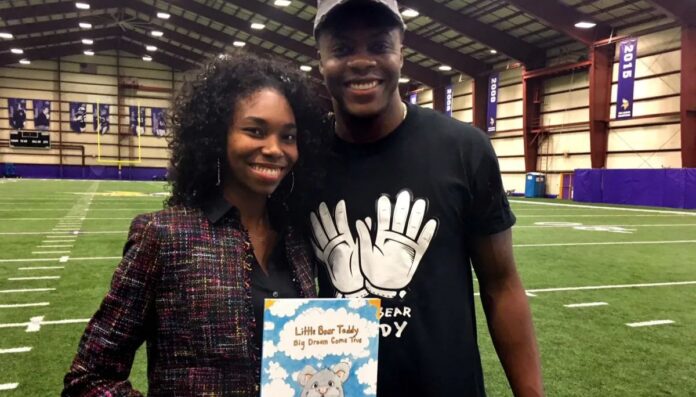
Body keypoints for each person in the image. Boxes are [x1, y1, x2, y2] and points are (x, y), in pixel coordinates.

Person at [306, 1, 544, 396]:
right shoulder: (302, 160)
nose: (362, 62)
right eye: (343, 49)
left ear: (402, 52)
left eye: (379, 46)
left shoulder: (464, 149)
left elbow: (501, 283)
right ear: (321, 60)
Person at [63, 52, 324, 396]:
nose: (275, 149)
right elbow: (90, 378)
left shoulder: (297, 239)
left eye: (288, 137)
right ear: (217, 135)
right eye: (255, 130)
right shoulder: (164, 236)